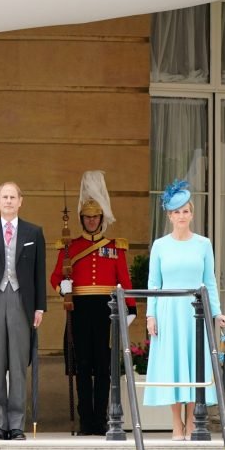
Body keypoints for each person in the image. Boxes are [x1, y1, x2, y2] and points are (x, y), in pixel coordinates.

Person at [50, 170, 136, 436]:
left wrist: (130, 308)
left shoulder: (115, 247)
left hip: (105, 311)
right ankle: (86, 420)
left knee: (103, 368)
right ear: (81, 219)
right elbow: (55, 276)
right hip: (79, 309)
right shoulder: (69, 246)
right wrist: (61, 286)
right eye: (87, 217)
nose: (91, 221)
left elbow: (125, 279)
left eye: (95, 217)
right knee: (82, 366)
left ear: (101, 219)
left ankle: (102, 419)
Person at [145, 179, 225, 441]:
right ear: (169, 216)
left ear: (191, 214)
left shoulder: (203, 244)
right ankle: (175, 424)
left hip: (196, 311)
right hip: (168, 312)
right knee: (173, 365)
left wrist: (216, 312)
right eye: (176, 211)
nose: (181, 216)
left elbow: (210, 280)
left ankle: (193, 421)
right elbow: (153, 283)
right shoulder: (160, 245)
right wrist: (150, 314)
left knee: (195, 365)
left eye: (185, 211)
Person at [0, 181, 47, 441]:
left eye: (13, 197)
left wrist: (39, 307)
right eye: (5, 197)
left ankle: (16, 425)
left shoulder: (34, 232)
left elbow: (39, 272)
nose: (9, 201)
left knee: (17, 364)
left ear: (20, 201)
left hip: (21, 302)